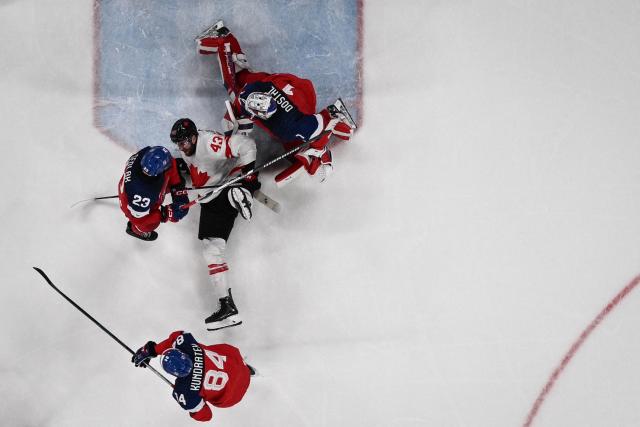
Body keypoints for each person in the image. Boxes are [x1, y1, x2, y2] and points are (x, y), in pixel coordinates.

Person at [194, 20, 357, 186]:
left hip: (295, 96)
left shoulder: (292, 125)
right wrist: (234, 138)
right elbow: (231, 119)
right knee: (235, 82)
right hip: (278, 86)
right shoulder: (249, 92)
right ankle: (224, 38)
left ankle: (315, 154)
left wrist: (320, 147)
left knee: (297, 140)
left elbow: (328, 118)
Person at [170, 117, 259, 331]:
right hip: (210, 199)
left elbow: (247, 145)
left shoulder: (209, 142)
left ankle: (242, 191)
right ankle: (227, 307)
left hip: (225, 185)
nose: (181, 147)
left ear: (193, 136)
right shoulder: (188, 148)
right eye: (178, 144)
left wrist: (247, 177)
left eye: (184, 142)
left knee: (235, 189)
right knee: (211, 251)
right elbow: (195, 165)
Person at [131, 330, 255, 422]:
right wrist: (152, 350)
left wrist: (190, 406)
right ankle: (245, 370)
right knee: (213, 351)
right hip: (237, 364)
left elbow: (207, 416)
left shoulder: (185, 391)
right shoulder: (188, 347)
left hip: (233, 395)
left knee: (210, 396)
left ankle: (244, 373)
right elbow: (177, 336)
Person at [118, 146, 189, 241]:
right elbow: (139, 220)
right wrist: (165, 214)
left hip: (134, 190)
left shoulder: (145, 154)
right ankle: (137, 230)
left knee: (169, 167)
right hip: (135, 211)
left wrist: (178, 189)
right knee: (147, 226)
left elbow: (166, 160)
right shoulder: (143, 195)